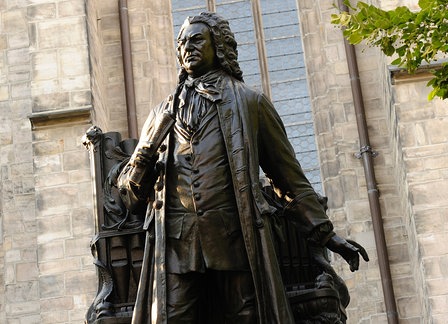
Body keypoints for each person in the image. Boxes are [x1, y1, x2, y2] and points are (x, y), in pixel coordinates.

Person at [117, 12, 368, 324]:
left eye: (197, 40)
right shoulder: (160, 114)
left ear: (218, 46)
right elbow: (128, 196)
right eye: (181, 42)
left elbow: (287, 178)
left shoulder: (251, 102)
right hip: (177, 244)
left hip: (234, 238)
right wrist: (144, 153)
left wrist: (326, 234)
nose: (187, 48)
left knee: (247, 318)